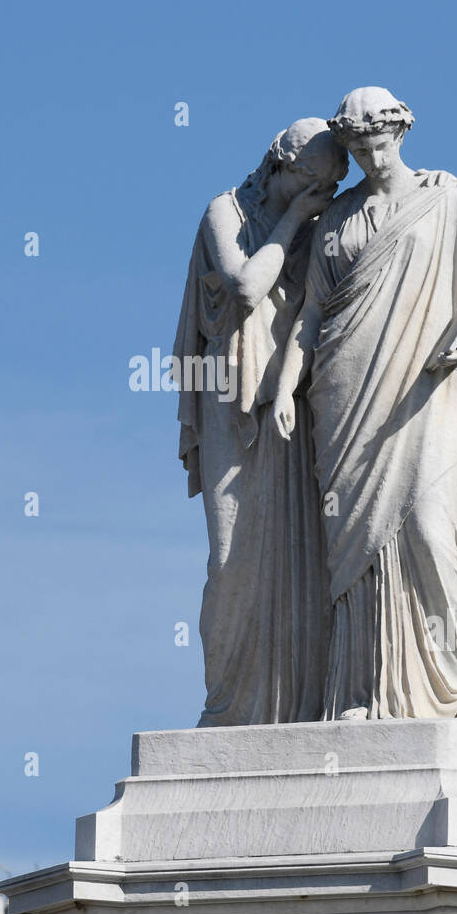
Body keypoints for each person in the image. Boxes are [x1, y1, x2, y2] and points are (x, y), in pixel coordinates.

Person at [274, 88, 457, 728]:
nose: (370, 156)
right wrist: (285, 385)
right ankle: (364, 694)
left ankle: (454, 689)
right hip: (343, 395)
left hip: (427, 391)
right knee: (355, 550)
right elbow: (310, 315)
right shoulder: (334, 221)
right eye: (358, 148)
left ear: (402, 133)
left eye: (379, 143)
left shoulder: (445, 202)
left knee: (428, 530)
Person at [174, 119, 345, 726]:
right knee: (231, 555)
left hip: (293, 402)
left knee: (302, 557)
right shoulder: (225, 211)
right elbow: (245, 289)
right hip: (228, 398)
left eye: (329, 184)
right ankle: (224, 706)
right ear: (281, 163)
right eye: (310, 178)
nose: (318, 192)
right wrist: (296, 219)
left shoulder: (323, 227)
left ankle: (295, 708)